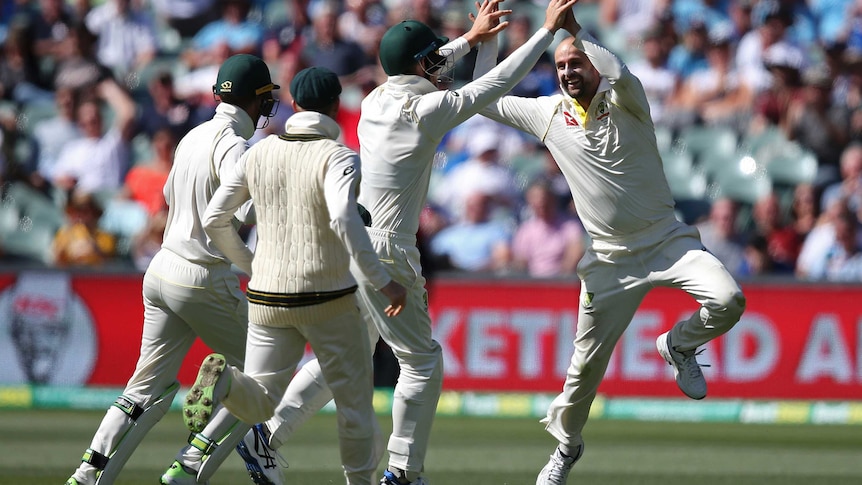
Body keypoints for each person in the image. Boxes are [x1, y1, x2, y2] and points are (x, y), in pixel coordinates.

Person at [228, 2, 579, 485]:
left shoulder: (374, 99)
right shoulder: (425, 111)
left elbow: (424, 68)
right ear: (420, 65)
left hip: (349, 243)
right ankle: (403, 471)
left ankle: (265, 434)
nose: (438, 63)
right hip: (388, 250)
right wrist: (543, 34)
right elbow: (494, 85)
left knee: (345, 360)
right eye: (431, 58)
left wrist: (474, 39)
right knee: (422, 362)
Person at [471, 4, 746, 483]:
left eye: (575, 63)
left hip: (666, 240)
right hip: (609, 261)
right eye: (559, 66)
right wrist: (487, 41)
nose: (567, 72)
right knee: (582, 376)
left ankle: (678, 347)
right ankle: (566, 448)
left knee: (728, 300)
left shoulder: (628, 100)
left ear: (593, 64)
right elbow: (482, 97)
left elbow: (616, 68)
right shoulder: (548, 115)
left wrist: (571, 29)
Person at [64, 53, 280, 485]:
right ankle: (191, 465)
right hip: (204, 275)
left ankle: (87, 476)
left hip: (162, 271)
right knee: (267, 376)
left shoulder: (193, 136)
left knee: (147, 390)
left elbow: (166, 192)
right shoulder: (234, 145)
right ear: (253, 101)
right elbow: (250, 206)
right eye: (265, 100)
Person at [189, 66, 407, 485]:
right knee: (355, 405)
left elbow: (217, 217)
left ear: (294, 104)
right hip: (327, 300)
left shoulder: (258, 151)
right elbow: (346, 220)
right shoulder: (339, 156)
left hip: (267, 297)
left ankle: (226, 380)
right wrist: (383, 281)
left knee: (258, 404)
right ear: (335, 107)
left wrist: (252, 266)